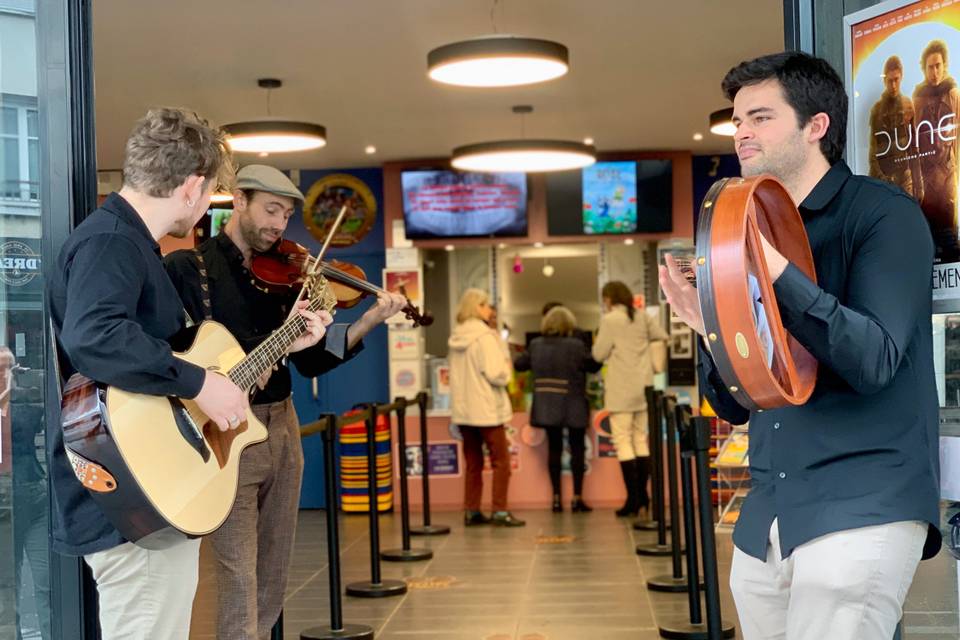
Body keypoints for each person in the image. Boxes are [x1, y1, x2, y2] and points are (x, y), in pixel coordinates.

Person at [660, 51, 941, 640]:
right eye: (737, 120)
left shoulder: (882, 215)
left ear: (817, 126)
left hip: (860, 505)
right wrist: (707, 329)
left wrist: (778, 273)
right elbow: (739, 404)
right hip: (768, 516)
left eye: (760, 117)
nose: (741, 133)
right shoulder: (750, 232)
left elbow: (874, 360)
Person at [165, 164, 406, 640]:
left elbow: (313, 360)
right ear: (238, 201)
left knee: (274, 571)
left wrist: (372, 318)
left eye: (287, 215)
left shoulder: (291, 273)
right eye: (270, 210)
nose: (279, 225)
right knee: (238, 573)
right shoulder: (187, 270)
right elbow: (176, 354)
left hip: (284, 426)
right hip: (226, 432)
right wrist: (276, 339)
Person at [48, 107, 255, 640]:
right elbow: (94, 334)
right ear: (192, 186)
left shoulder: (130, 242)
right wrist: (198, 382)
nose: (208, 204)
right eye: (211, 193)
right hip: (128, 506)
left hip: (142, 497)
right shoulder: (112, 242)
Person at [448, 288, 524, 526]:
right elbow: (497, 374)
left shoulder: (456, 337)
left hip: (464, 412)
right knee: (501, 462)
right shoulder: (485, 337)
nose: (490, 310)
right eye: (486, 305)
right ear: (477, 307)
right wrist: (505, 363)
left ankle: (472, 511)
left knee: (473, 464)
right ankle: (500, 511)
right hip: (487, 410)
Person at [591, 281, 667, 518]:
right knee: (640, 440)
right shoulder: (642, 317)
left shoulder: (610, 319)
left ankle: (633, 499)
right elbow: (662, 337)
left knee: (623, 441)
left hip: (620, 388)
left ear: (609, 299)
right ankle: (644, 496)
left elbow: (598, 354)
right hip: (643, 386)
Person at [514, 306, 601, 512]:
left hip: (547, 404)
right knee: (577, 449)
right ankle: (577, 498)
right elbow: (594, 365)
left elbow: (519, 364)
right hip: (574, 403)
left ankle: (555, 499)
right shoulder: (577, 345)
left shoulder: (535, 344)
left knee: (554, 449)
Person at [914, 39, 960, 262]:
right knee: (930, 234)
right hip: (927, 177)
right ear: (925, 68)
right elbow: (913, 142)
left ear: (944, 65)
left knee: (950, 234)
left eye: (938, 65)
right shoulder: (919, 98)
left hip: (948, 172)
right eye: (930, 66)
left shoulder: (953, 94)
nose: (935, 71)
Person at [868, 55, 923, 199]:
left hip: (905, 178)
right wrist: (881, 179)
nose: (893, 85)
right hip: (884, 180)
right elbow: (873, 151)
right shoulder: (877, 110)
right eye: (890, 80)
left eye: (896, 80)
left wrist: (919, 184)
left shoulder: (907, 104)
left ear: (901, 77)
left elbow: (914, 148)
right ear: (884, 80)